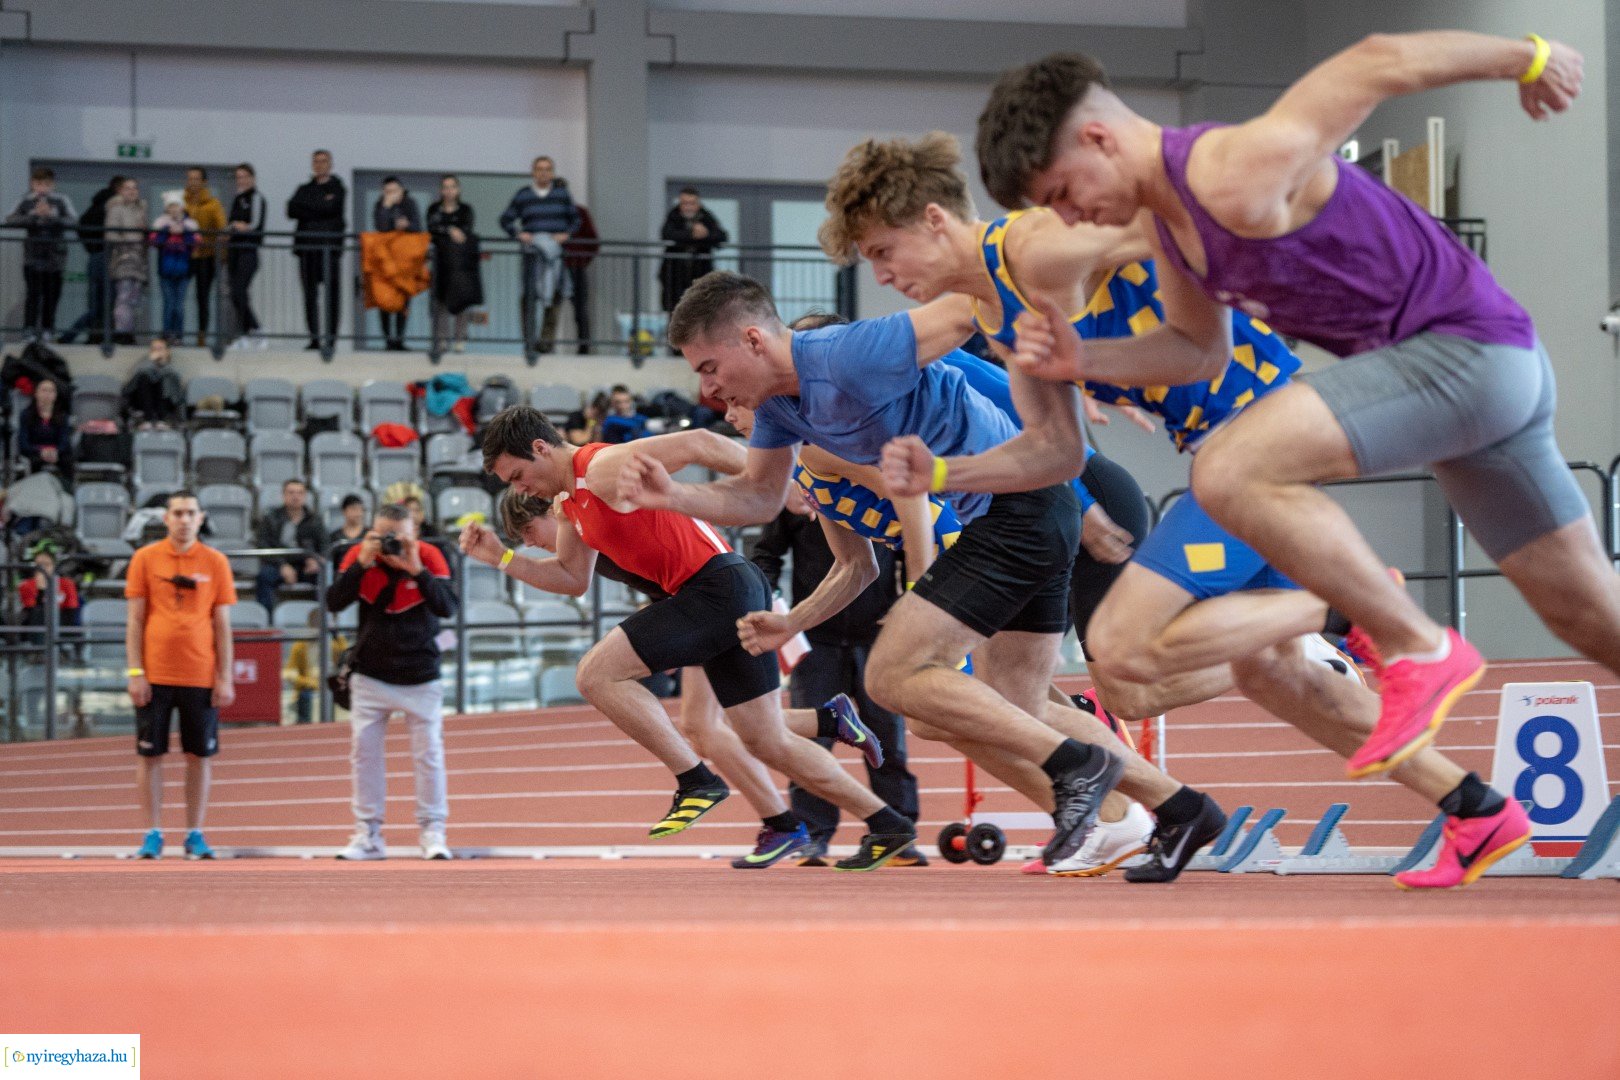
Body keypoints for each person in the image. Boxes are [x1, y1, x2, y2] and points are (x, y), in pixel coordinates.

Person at [974, 37, 1598, 887]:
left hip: (1467, 355)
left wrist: (1530, 55)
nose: (1075, 220)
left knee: (1226, 469)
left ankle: (1410, 640)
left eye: (1062, 197)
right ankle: (1463, 786)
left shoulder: (1227, 168)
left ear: (1097, 140)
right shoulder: (1171, 228)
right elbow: (1195, 351)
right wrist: (1077, 361)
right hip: (1470, 399)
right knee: (1588, 615)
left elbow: (1377, 61)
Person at [631, 273, 1199, 873]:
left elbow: (971, 354)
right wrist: (674, 501)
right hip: (1008, 509)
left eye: (712, 372)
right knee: (997, 703)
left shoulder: (845, 372)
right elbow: (830, 548)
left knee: (1088, 688)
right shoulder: (794, 428)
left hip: (1043, 499)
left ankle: (1101, 786)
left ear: (753, 342)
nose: (717, 398)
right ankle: (1154, 809)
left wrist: (1072, 379)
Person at [475, 406, 911, 870]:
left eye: (518, 475)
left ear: (541, 448)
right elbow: (570, 577)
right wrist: (501, 559)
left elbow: (700, 441)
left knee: (597, 674)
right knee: (766, 739)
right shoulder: (568, 503)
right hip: (717, 594)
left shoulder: (599, 467)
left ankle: (697, 780)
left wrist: (780, 484)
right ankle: (887, 823)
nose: (519, 488)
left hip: (716, 587)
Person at [749, 487, 927, 867]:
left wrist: (904, 605)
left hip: (877, 633)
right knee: (811, 741)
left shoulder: (882, 497)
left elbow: (913, 549)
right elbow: (767, 553)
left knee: (887, 737)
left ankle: (898, 833)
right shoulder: (806, 493)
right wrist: (770, 600)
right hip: (815, 638)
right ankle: (814, 837)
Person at [325, 503, 458, 861]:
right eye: (383, 535)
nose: (390, 542)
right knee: (364, 755)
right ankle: (367, 833)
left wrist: (417, 569)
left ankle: (433, 830)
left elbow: (448, 607)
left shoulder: (431, 555)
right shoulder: (358, 554)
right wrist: (361, 564)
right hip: (370, 674)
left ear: (414, 531)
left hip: (421, 674)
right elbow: (333, 602)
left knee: (428, 754)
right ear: (371, 531)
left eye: (398, 536)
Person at [125, 490, 237, 860]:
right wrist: (136, 671)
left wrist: (225, 677)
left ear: (201, 518)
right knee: (150, 756)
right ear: (166, 518)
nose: (184, 519)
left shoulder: (216, 562)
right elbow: (136, 620)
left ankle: (195, 832)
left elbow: (222, 625)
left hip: (200, 675)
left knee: (198, 757)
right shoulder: (145, 559)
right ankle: (152, 833)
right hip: (154, 674)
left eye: (191, 513)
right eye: (178, 513)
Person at [499, 156, 580, 355]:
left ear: (552, 173)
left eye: (547, 169)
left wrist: (565, 235)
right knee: (528, 296)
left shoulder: (562, 195)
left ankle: (546, 344)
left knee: (553, 298)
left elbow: (576, 220)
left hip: (555, 256)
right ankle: (529, 342)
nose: (543, 173)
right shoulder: (523, 195)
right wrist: (519, 234)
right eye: (539, 169)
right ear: (533, 172)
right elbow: (506, 219)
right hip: (532, 254)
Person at [5, 166, 76, 342]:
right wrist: (33, 215)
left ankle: (48, 329)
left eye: (46, 184)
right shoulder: (25, 200)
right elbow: (9, 219)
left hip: (55, 257)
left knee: (52, 294)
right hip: (32, 256)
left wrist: (52, 215)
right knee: (33, 293)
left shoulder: (61, 200)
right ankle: (29, 329)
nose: (42, 188)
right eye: (38, 184)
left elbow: (73, 221)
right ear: (32, 184)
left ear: (52, 185)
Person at [287, 149, 346, 350]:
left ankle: (331, 340)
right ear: (313, 165)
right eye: (316, 162)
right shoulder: (303, 188)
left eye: (324, 161)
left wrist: (309, 210)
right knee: (310, 296)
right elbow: (291, 209)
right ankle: (314, 339)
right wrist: (320, 206)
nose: (320, 165)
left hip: (329, 250)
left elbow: (332, 209)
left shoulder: (338, 188)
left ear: (330, 164)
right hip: (307, 250)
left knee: (332, 296)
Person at [61, 174, 123, 345]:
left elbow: (82, 227)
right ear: (118, 189)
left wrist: (91, 248)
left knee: (97, 304)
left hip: (96, 256)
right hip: (107, 257)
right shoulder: (112, 206)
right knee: (108, 304)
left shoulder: (96, 205)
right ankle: (87, 337)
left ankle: (89, 336)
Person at [426, 175, 482, 355]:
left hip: (460, 262)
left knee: (462, 299)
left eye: (452, 187)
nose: (449, 191)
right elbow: (432, 229)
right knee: (440, 300)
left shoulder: (466, 210)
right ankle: (441, 340)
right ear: (441, 191)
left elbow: (466, 231)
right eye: (445, 187)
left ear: (458, 190)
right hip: (440, 261)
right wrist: (450, 230)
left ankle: (460, 340)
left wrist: (452, 232)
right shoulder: (434, 209)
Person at [253, 478, 325, 612]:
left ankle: (324, 620)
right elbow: (262, 544)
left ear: (305, 496)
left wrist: (316, 560)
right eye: (291, 492)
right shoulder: (271, 517)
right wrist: (282, 565)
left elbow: (325, 545)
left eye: (299, 493)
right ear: (283, 495)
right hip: (278, 563)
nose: (295, 496)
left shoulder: (315, 520)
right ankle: (266, 621)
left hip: (305, 565)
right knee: (264, 576)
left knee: (325, 575)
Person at [371, 176, 423, 351]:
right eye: (387, 191)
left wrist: (405, 225)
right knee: (385, 300)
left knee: (403, 300)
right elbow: (380, 225)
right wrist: (386, 206)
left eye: (394, 191)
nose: (391, 194)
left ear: (401, 190)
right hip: (385, 261)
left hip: (405, 260)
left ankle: (399, 339)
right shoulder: (380, 205)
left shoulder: (410, 204)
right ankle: (388, 340)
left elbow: (417, 226)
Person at [658, 187, 728, 315]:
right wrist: (691, 234)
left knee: (700, 312)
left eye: (692, 203)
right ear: (680, 204)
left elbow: (722, 236)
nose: (688, 207)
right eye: (685, 203)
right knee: (675, 313)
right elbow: (666, 234)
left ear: (698, 204)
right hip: (675, 276)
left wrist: (706, 235)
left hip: (700, 274)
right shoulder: (674, 216)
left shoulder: (706, 217)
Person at [226, 163, 268, 351]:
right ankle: (244, 334)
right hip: (234, 250)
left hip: (248, 251)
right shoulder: (237, 198)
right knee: (235, 294)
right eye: (238, 177)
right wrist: (236, 225)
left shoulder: (257, 198)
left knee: (239, 290)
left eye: (244, 176)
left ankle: (257, 331)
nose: (241, 180)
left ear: (252, 178)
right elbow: (231, 225)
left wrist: (240, 226)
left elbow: (254, 224)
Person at [183, 167, 226, 348]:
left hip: (206, 256)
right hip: (183, 255)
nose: (193, 182)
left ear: (204, 182)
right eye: (190, 179)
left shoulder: (213, 204)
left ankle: (201, 337)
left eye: (196, 179)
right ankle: (174, 336)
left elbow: (222, 226)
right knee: (177, 295)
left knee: (202, 297)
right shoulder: (180, 202)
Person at [148, 193, 199, 343]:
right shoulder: (160, 224)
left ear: (182, 207)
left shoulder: (190, 225)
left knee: (179, 305)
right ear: (167, 209)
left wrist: (184, 232)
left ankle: (178, 335)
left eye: (176, 205)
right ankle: (166, 334)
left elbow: (196, 243)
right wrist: (166, 231)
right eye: (171, 206)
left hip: (184, 271)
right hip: (165, 271)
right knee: (168, 303)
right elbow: (154, 241)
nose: (174, 209)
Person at [104, 177, 148, 346]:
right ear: (121, 191)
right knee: (123, 297)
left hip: (139, 261)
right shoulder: (116, 210)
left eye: (134, 188)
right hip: (123, 258)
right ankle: (122, 333)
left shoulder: (141, 210)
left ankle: (128, 332)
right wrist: (128, 240)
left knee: (134, 299)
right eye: (128, 188)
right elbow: (110, 235)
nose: (132, 191)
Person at [17, 377, 73, 485]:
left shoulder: (62, 416)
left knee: (67, 459)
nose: (47, 394)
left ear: (55, 395)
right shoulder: (26, 415)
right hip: (35, 452)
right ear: (36, 393)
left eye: (51, 391)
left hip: (56, 452)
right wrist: (41, 452)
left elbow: (64, 441)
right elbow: (23, 443)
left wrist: (55, 451)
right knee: (34, 462)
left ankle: (67, 491)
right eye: (44, 390)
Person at [120, 337, 184, 429]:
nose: (157, 352)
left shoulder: (171, 366)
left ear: (167, 351)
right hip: (141, 400)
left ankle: (161, 420)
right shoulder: (144, 363)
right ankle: (148, 420)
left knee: (166, 378)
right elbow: (135, 377)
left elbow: (177, 381)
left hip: (166, 402)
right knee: (144, 376)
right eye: (154, 349)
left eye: (160, 349)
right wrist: (150, 361)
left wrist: (163, 363)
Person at [18, 547, 81, 633]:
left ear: (54, 566)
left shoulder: (67, 584)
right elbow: (31, 614)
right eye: (39, 565)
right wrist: (41, 590)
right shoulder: (26, 585)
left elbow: (71, 612)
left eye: (47, 564)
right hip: (35, 629)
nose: (43, 568)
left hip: (62, 625)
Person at [564, 199, 598, 353]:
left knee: (580, 308)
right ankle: (545, 345)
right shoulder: (549, 214)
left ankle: (584, 346)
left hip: (575, 265)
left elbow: (593, 240)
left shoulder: (580, 212)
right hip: (554, 265)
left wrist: (583, 259)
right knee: (550, 306)